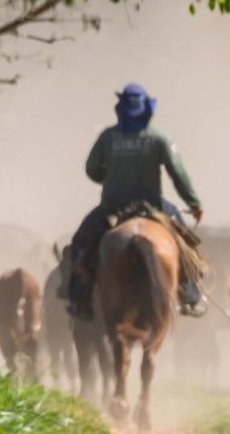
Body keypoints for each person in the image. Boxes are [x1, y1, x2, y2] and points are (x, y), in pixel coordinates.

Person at [66, 83, 208, 322]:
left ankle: (79, 299)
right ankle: (191, 296)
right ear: (146, 108)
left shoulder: (108, 137)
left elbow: (91, 169)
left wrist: (107, 177)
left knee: (81, 243)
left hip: (112, 206)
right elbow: (178, 172)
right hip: (153, 206)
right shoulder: (160, 136)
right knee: (186, 242)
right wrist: (193, 203)